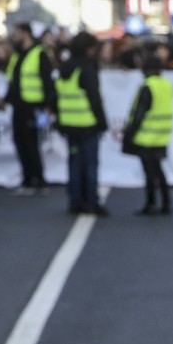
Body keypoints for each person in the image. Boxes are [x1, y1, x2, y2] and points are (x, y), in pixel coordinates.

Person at [55, 32, 109, 216]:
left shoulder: (65, 68)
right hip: (87, 124)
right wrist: (102, 122)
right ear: (89, 49)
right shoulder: (87, 68)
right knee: (90, 165)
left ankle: (75, 200)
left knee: (74, 163)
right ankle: (91, 202)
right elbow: (94, 99)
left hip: (69, 124)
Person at [5, 22, 57, 193]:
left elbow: (47, 80)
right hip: (19, 105)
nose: (14, 36)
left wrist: (48, 105)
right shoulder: (17, 54)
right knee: (20, 141)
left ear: (25, 33)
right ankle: (27, 179)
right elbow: (13, 80)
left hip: (32, 105)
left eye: (17, 33)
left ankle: (38, 179)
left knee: (30, 143)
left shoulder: (39, 53)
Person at [124, 51, 173, 216]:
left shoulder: (147, 86)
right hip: (162, 135)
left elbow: (139, 113)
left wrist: (130, 133)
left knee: (149, 173)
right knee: (159, 170)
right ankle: (166, 203)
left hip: (146, 136)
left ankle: (151, 203)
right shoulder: (167, 85)